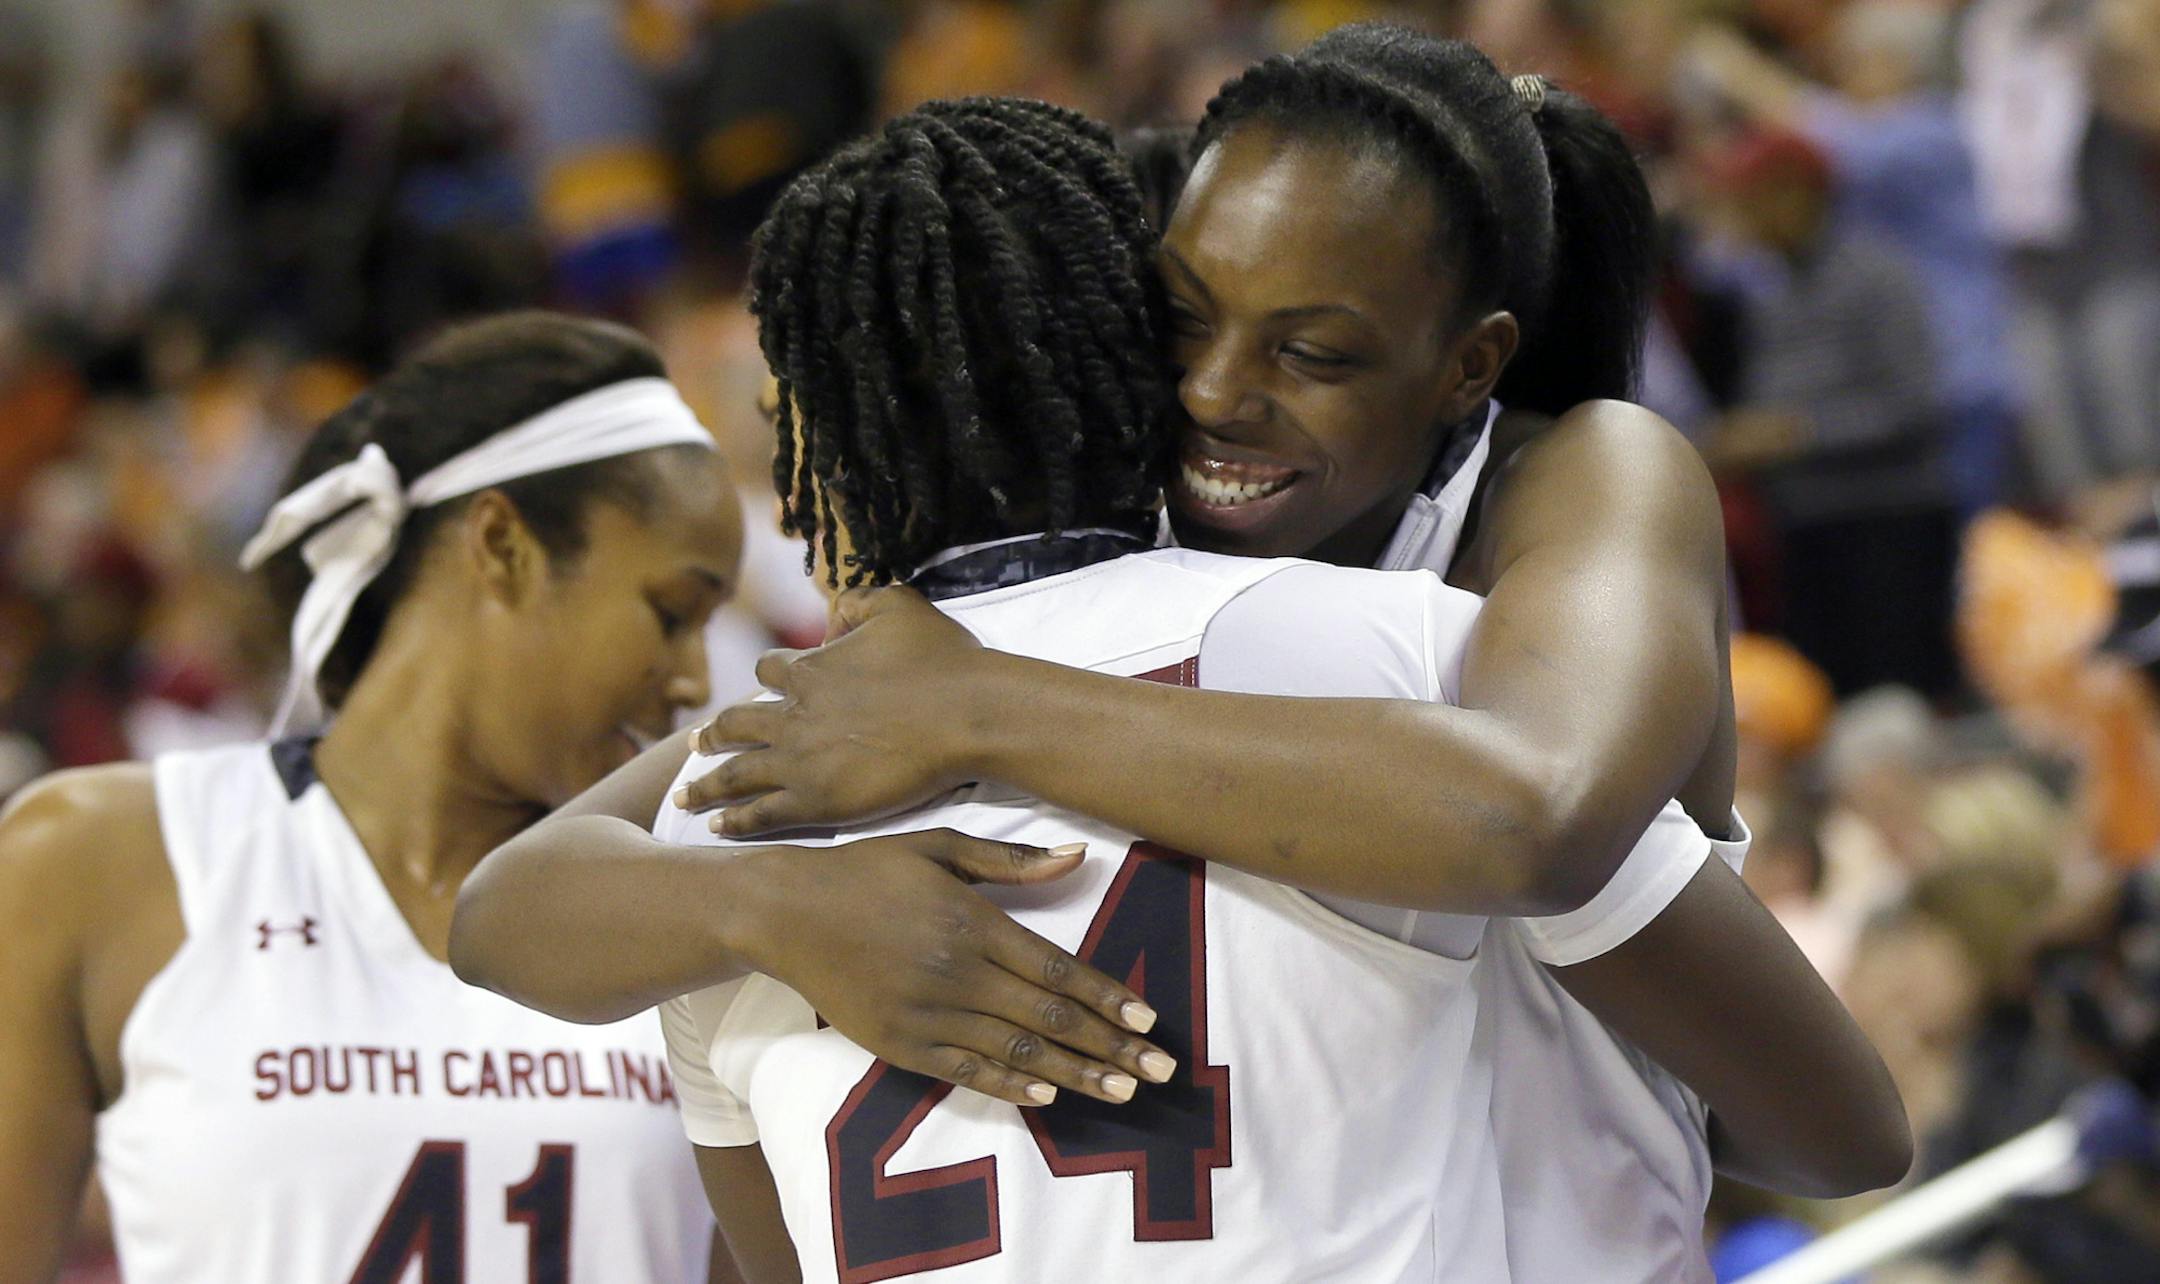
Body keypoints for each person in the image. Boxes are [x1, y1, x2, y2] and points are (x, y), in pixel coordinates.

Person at [456, 63, 1899, 1284]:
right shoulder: (1380, 662)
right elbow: (509, 903)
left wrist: (975, 713)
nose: (1213, 392)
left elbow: (1537, 813)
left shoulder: (1548, 522)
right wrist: (786, 905)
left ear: (1469, 369)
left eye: (1313, 349)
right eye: (1182, 327)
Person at [0, 311, 1140, 1283]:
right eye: (671, 610)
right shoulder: (99, 857)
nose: (697, 677)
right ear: (499, 547)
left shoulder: (727, 875)